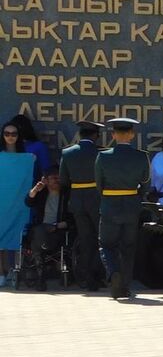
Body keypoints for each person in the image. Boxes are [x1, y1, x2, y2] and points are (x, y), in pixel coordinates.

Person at [95, 116, 150, 299]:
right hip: (131, 206)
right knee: (128, 247)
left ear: (113, 134)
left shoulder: (103, 156)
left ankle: (113, 272)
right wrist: (135, 197)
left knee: (106, 244)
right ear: (132, 135)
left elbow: (99, 184)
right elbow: (145, 184)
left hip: (110, 204)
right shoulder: (142, 156)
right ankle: (125, 285)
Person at [58, 120, 103, 290]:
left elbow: (63, 181)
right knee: (101, 238)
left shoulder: (67, 153)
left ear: (80, 135)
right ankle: (97, 275)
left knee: (85, 239)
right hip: (97, 199)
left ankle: (87, 277)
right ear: (95, 136)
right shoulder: (101, 153)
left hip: (77, 200)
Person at [0, 120, 35, 285]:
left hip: (19, 203)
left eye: (14, 134)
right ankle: (1, 272)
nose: (10, 137)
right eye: (7, 134)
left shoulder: (27, 158)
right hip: (1, 201)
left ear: (18, 136)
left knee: (17, 234)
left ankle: (15, 270)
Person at [22, 166, 69, 289]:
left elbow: (71, 219)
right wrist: (36, 189)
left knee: (40, 236)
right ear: (46, 181)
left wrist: (58, 225)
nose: (57, 180)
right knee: (38, 232)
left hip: (57, 231)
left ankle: (40, 276)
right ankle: (40, 278)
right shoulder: (41, 194)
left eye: (59, 178)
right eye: (54, 178)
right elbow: (28, 201)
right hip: (41, 230)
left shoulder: (66, 195)